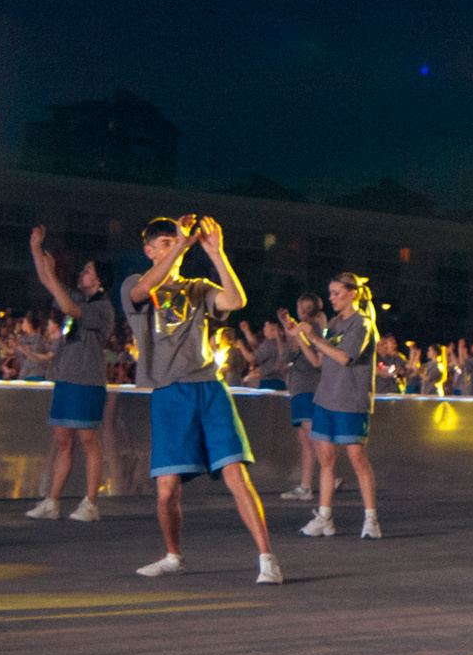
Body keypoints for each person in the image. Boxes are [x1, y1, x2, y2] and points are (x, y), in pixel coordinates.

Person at [124, 216, 281, 583]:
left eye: (175, 242)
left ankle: (266, 557)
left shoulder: (197, 287)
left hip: (209, 388)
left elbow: (236, 299)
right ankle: (173, 556)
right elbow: (142, 290)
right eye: (165, 243)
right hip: (168, 393)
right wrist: (181, 244)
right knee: (167, 491)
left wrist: (216, 253)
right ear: (149, 251)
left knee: (236, 474)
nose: (174, 247)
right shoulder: (136, 283)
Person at [24, 226, 113, 522]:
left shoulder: (102, 307)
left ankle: (91, 502)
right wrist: (37, 250)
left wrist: (53, 275)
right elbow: (49, 284)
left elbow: (65, 304)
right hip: (65, 377)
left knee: (89, 441)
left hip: (86, 380)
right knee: (63, 440)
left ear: (99, 279)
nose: (81, 274)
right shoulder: (78, 296)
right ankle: (53, 500)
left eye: (88, 271)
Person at [290, 273, 384, 540]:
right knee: (327, 461)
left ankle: (371, 519)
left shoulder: (363, 324)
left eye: (336, 293)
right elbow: (320, 361)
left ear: (352, 293)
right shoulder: (333, 323)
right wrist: (301, 338)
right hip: (326, 398)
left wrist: (316, 339)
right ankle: (325, 517)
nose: (331, 298)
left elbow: (344, 357)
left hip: (351, 399)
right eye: (330, 293)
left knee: (357, 459)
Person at [277, 298, 324, 502]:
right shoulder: (311, 329)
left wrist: (292, 334)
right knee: (305, 439)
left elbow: (286, 356)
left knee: (311, 437)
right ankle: (306, 485)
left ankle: (327, 476)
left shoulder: (311, 330)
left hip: (307, 388)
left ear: (304, 310)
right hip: (300, 388)